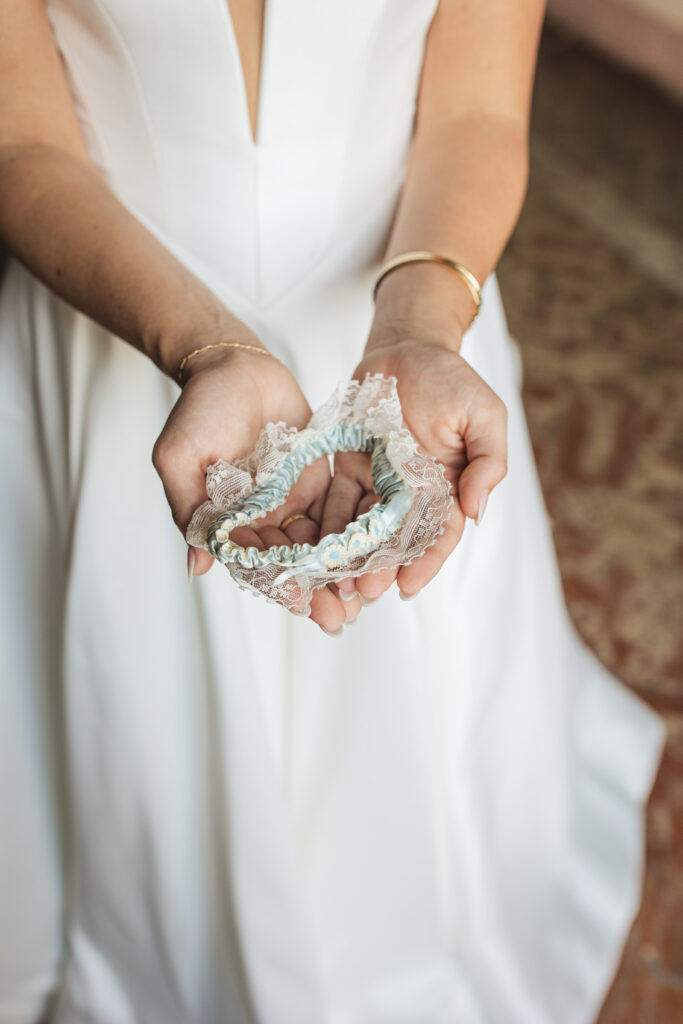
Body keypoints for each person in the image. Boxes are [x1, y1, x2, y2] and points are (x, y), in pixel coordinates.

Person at [0, 1, 665, 1022]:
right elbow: (24, 143)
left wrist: (421, 324)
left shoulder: (414, 339)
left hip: (402, 339)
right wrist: (205, 346)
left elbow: (474, 117)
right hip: (114, 318)